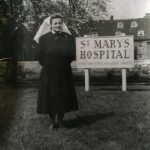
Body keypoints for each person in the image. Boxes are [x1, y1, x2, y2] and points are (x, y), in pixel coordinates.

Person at [37, 13, 78, 129]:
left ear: (62, 24)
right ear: (51, 25)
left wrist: (63, 64)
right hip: (49, 73)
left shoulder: (68, 38)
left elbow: (72, 54)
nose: (58, 25)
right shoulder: (43, 39)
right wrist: (50, 65)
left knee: (63, 96)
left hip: (64, 72)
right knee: (50, 96)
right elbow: (40, 57)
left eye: (60, 23)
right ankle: (52, 122)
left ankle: (60, 121)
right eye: (55, 23)